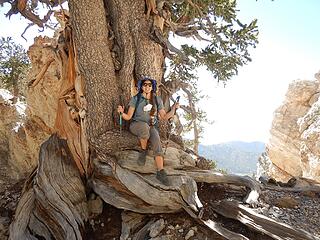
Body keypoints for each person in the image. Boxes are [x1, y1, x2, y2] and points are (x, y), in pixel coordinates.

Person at [117, 76, 179, 185]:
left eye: (149, 85)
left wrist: (174, 108)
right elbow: (128, 117)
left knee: (157, 141)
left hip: (151, 127)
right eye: (145, 85)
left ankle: (160, 171)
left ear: (152, 87)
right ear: (141, 86)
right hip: (136, 125)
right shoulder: (136, 99)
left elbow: (164, 116)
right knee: (144, 128)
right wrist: (121, 113)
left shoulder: (156, 99)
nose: (147, 87)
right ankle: (143, 150)